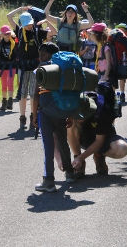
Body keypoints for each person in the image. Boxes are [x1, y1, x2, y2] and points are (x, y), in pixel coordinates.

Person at [31, 42, 77, 191]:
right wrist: (70, 114)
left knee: (48, 145)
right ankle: (69, 173)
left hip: (45, 112)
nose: (40, 57)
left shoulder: (41, 70)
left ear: (52, 55)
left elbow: (35, 95)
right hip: (62, 110)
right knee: (63, 141)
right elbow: (70, 92)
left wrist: (34, 114)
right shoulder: (64, 69)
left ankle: (48, 181)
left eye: (43, 54)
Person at [7, 7, 57, 130]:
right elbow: (9, 16)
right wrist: (20, 9)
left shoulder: (38, 31)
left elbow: (54, 32)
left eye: (29, 24)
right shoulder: (19, 30)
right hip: (22, 66)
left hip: (35, 66)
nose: (29, 26)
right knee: (23, 93)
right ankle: (22, 118)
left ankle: (33, 116)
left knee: (34, 93)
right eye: (26, 24)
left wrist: (47, 22)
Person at [69, 82, 127, 177]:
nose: (78, 119)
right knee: (70, 126)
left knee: (122, 148)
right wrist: (63, 160)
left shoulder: (102, 109)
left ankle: (99, 156)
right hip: (83, 138)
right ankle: (78, 162)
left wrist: (81, 157)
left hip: (101, 138)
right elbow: (55, 137)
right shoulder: (70, 106)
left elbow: (99, 141)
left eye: (81, 117)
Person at [0, 25, 17, 111]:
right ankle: (4, 102)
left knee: (10, 84)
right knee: (4, 85)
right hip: (1, 67)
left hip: (11, 67)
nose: (7, 35)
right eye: (5, 34)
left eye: (8, 33)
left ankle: (10, 101)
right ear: (1, 34)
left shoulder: (14, 42)